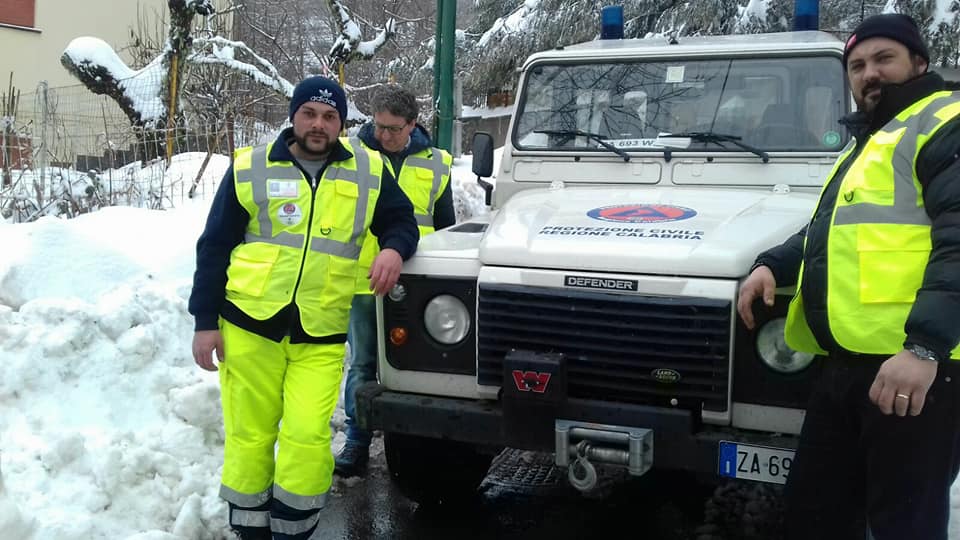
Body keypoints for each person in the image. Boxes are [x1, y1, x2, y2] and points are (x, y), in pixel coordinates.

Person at [737, 14, 960, 540]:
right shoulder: (872, 142)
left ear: (919, 63)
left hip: (915, 374)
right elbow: (828, 234)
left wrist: (924, 348)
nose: (868, 74)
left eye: (884, 59)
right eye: (857, 65)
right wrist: (773, 262)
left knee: (902, 526)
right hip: (847, 367)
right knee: (815, 515)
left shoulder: (943, 124)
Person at [188, 76, 419, 540]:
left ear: (342, 123)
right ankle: (250, 529)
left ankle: (294, 530)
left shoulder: (367, 169)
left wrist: (393, 249)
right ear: (293, 117)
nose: (319, 124)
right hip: (249, 327)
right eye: (310, 114)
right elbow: (214, 247)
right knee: (250, 435)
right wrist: (204, 322)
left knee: (308, 436)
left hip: (321, 332)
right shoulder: (251, 167)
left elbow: (401, 220)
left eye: (330, 116)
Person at [334, 84, 456, 477]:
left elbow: (445, 227)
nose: (384, 135)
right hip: (364, 282)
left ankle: (422, 437)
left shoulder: (437, 164)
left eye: (394, 128)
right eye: (379, 126)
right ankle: (357, 439)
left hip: (417, 282)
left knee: (421, 360)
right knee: (364, 363)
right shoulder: (352, 156)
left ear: (413, 125)